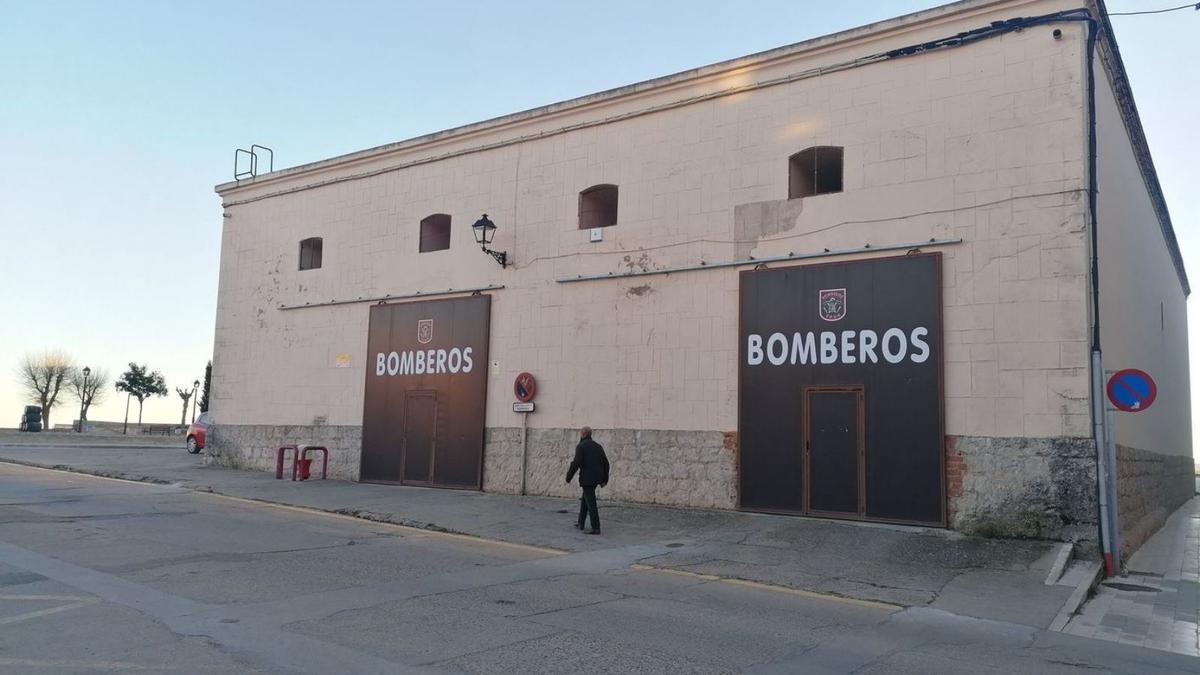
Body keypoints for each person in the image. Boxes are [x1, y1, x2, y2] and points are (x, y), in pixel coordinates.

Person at [566, 426, 609, 534]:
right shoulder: (598, 446)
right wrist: (604, 479)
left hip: (587, 479)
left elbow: (576, 463)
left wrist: (568, 477)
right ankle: (581, 523)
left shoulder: (581, 447)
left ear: (583, 434)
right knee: (585, 500)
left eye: (581, 433)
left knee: (591, 503)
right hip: (596, 479)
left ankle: (596, 527)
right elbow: (606, 463)